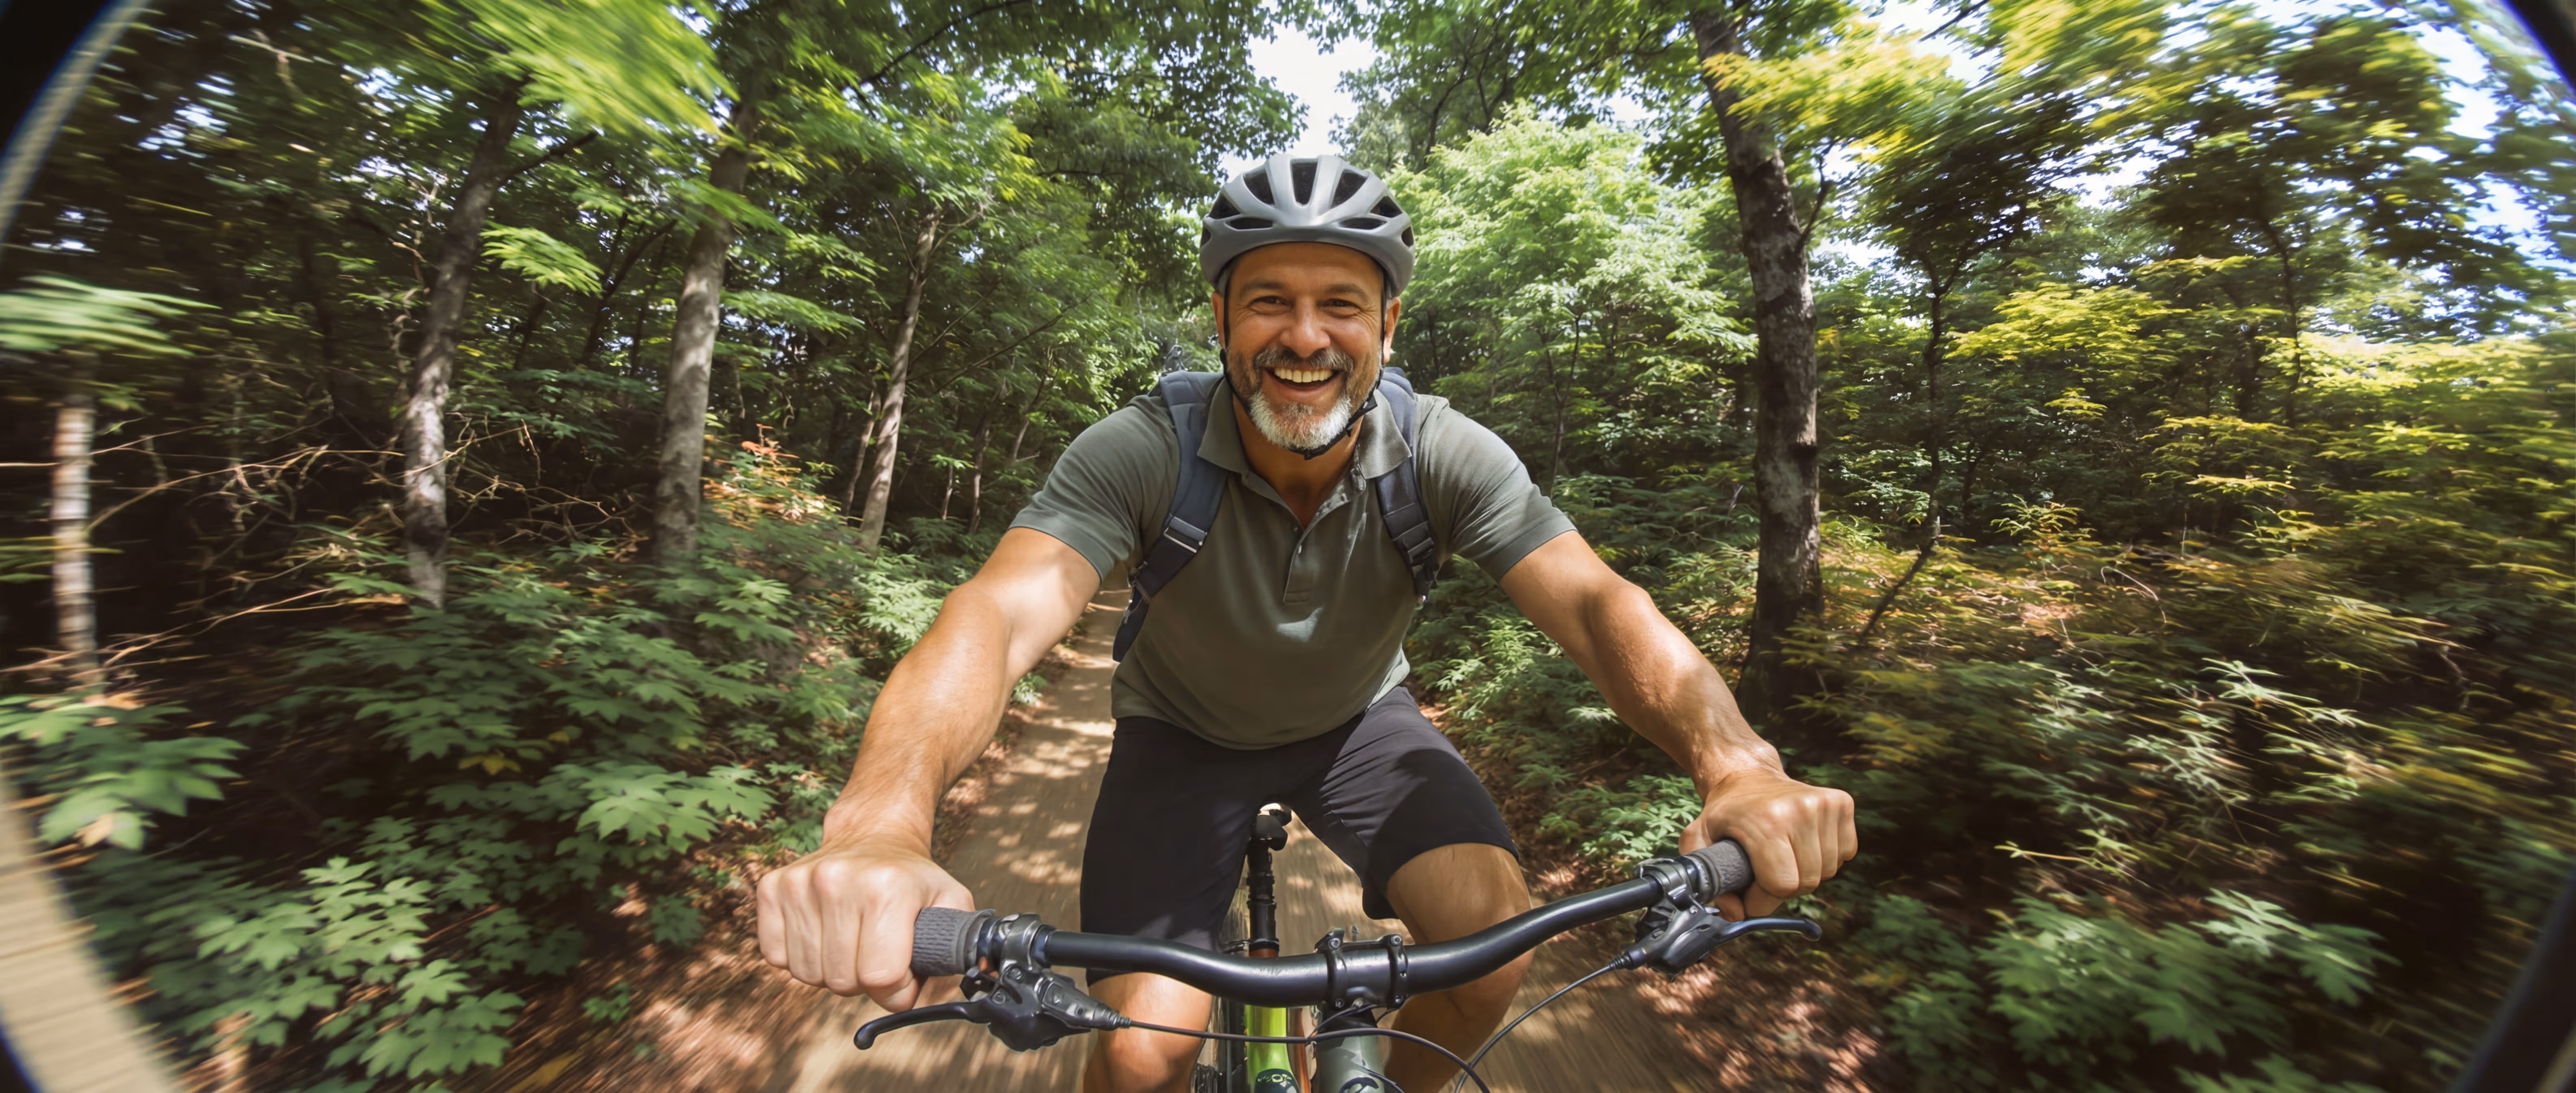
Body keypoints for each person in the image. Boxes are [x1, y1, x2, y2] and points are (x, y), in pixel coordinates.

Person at [755, 153, 1858, 1093]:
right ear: (1225, 320)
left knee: (1487, 947)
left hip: (1359, 725)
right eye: (1270, 299)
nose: (1305, 334)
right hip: (1178, 736)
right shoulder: (1143, 451)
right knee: (1142, 1052)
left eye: (1340, 303)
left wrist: (1739, 766)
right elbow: (992, 618)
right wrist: (879, 831)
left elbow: (1595, 602)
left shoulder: (1442, 452)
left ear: (1386, 323)